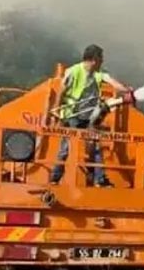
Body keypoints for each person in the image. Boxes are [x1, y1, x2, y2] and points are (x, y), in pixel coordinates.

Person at [49, 44, 133, 187]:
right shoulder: (74, 71)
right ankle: (54, 179)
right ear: (94, 60)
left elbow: (112, 82)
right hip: (72, 116)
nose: (102, 61)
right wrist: (56, 111)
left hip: (88, 117)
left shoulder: (98, 74)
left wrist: (127, 91)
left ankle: (99, 180)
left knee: (95, 146)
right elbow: (61, 91)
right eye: (101, 58)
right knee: (66, 148)